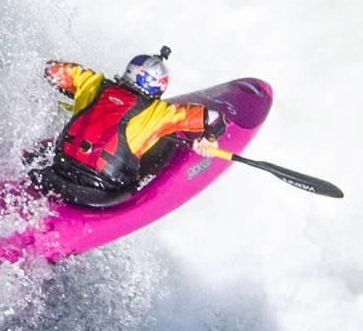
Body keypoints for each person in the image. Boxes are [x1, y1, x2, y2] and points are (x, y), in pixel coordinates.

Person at [34, 47, 227, 209]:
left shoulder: (93, 84)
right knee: (162, 146)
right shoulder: (160, 113)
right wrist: (208, 140)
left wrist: (74, 92)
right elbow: (215, 119)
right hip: (99, 191)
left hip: (58, 170)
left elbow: (52, 70)